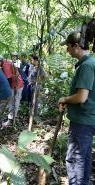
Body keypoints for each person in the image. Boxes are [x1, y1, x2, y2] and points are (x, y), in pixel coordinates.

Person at [58, 31, 95, 185]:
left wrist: (65, 98)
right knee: (84, 158)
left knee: (74, 160)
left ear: (76, 46)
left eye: (68, 46)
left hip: (83, 121)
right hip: (87, 119)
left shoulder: (87, 65)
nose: (67, 50)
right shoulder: (90, 63)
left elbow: (82, 97)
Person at [0, 56, 24, 127]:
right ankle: (10, 119)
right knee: (11, 102)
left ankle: (12, 120)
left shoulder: (6, 64)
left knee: (15, 102)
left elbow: (8, 80)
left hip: (17, 85)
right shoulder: (4, 63)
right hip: (12, 85)